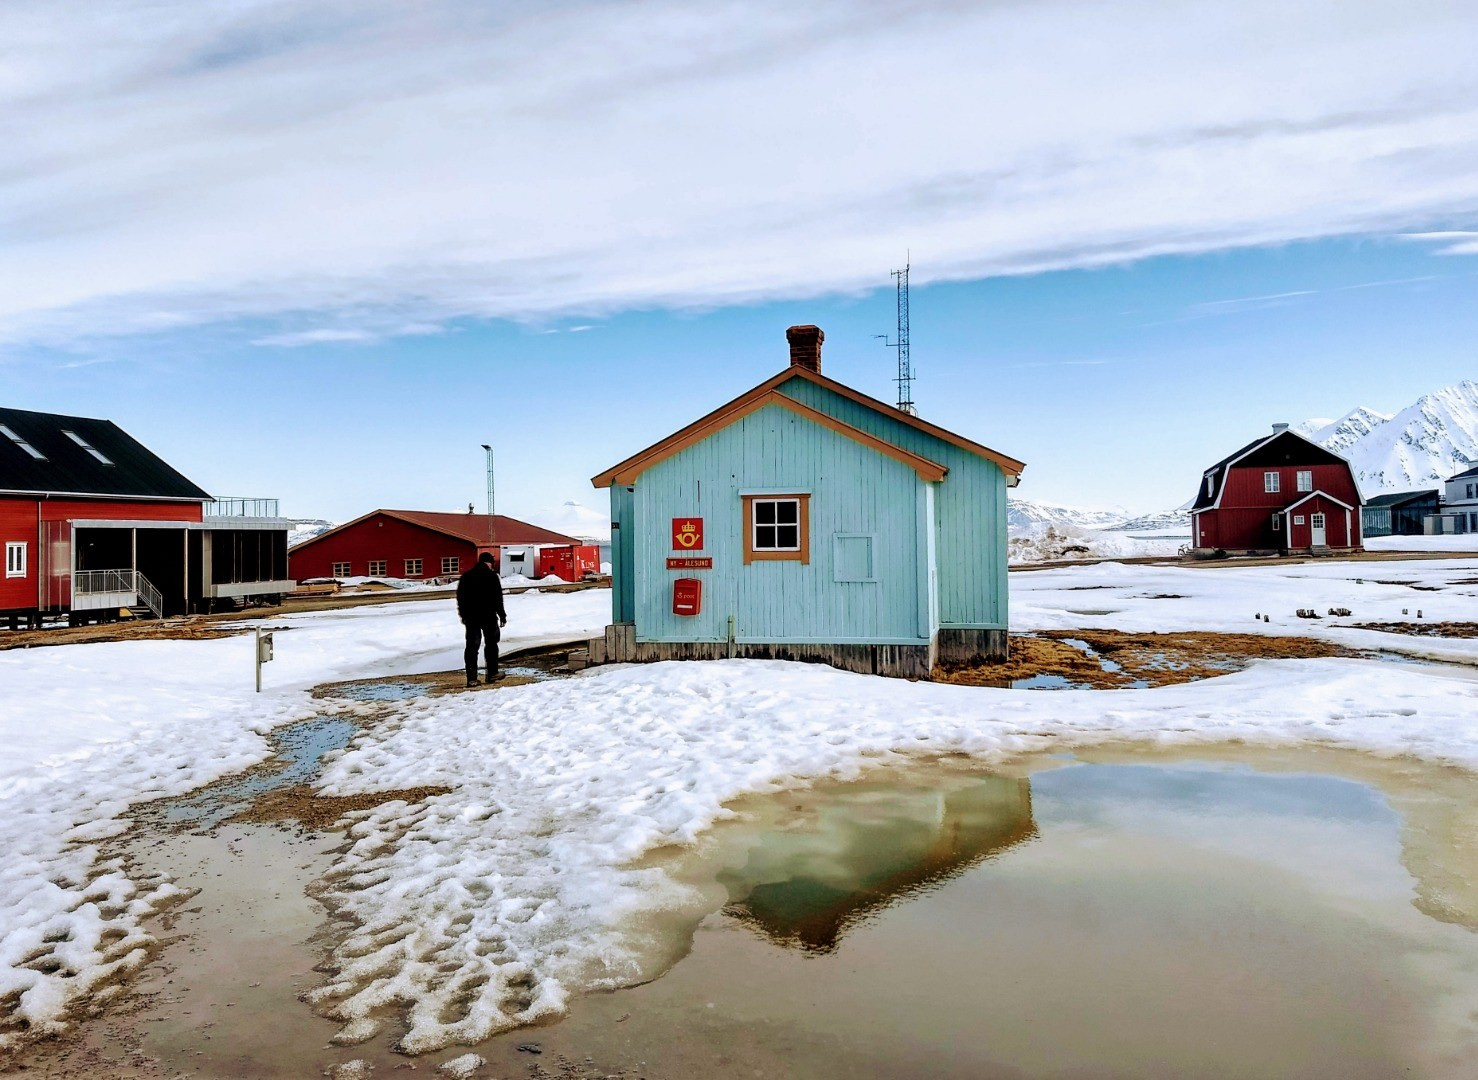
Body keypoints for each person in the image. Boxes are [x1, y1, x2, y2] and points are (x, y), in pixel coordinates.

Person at [457, 551, 507, 686]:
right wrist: (502, 615)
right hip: (488, 616)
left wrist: (463, 615)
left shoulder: (466, 576)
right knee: (491, 645)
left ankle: (472, 678)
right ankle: (492, 674)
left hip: (471, 617)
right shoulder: (492, 576)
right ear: (489, 563)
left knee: (472, 647)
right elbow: (498, 598)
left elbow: (460, 598)